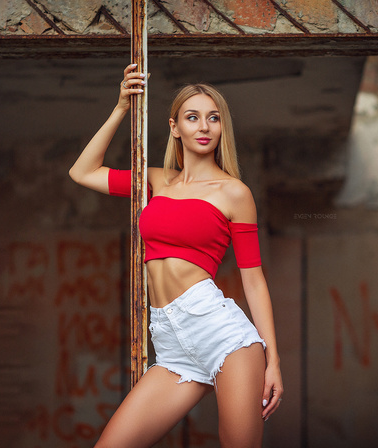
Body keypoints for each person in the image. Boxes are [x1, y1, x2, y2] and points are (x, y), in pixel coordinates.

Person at [69, 64, 283, 447]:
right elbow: (83, 172)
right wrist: (122, 107)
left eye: (213, 118)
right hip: (169, 342)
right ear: (174, 127)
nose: (204, 127)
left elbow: (253, 278)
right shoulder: (155, 181)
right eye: (192, 117)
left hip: (222, 336)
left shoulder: (234, 193)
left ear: (222, 128)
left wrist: (274, 360)